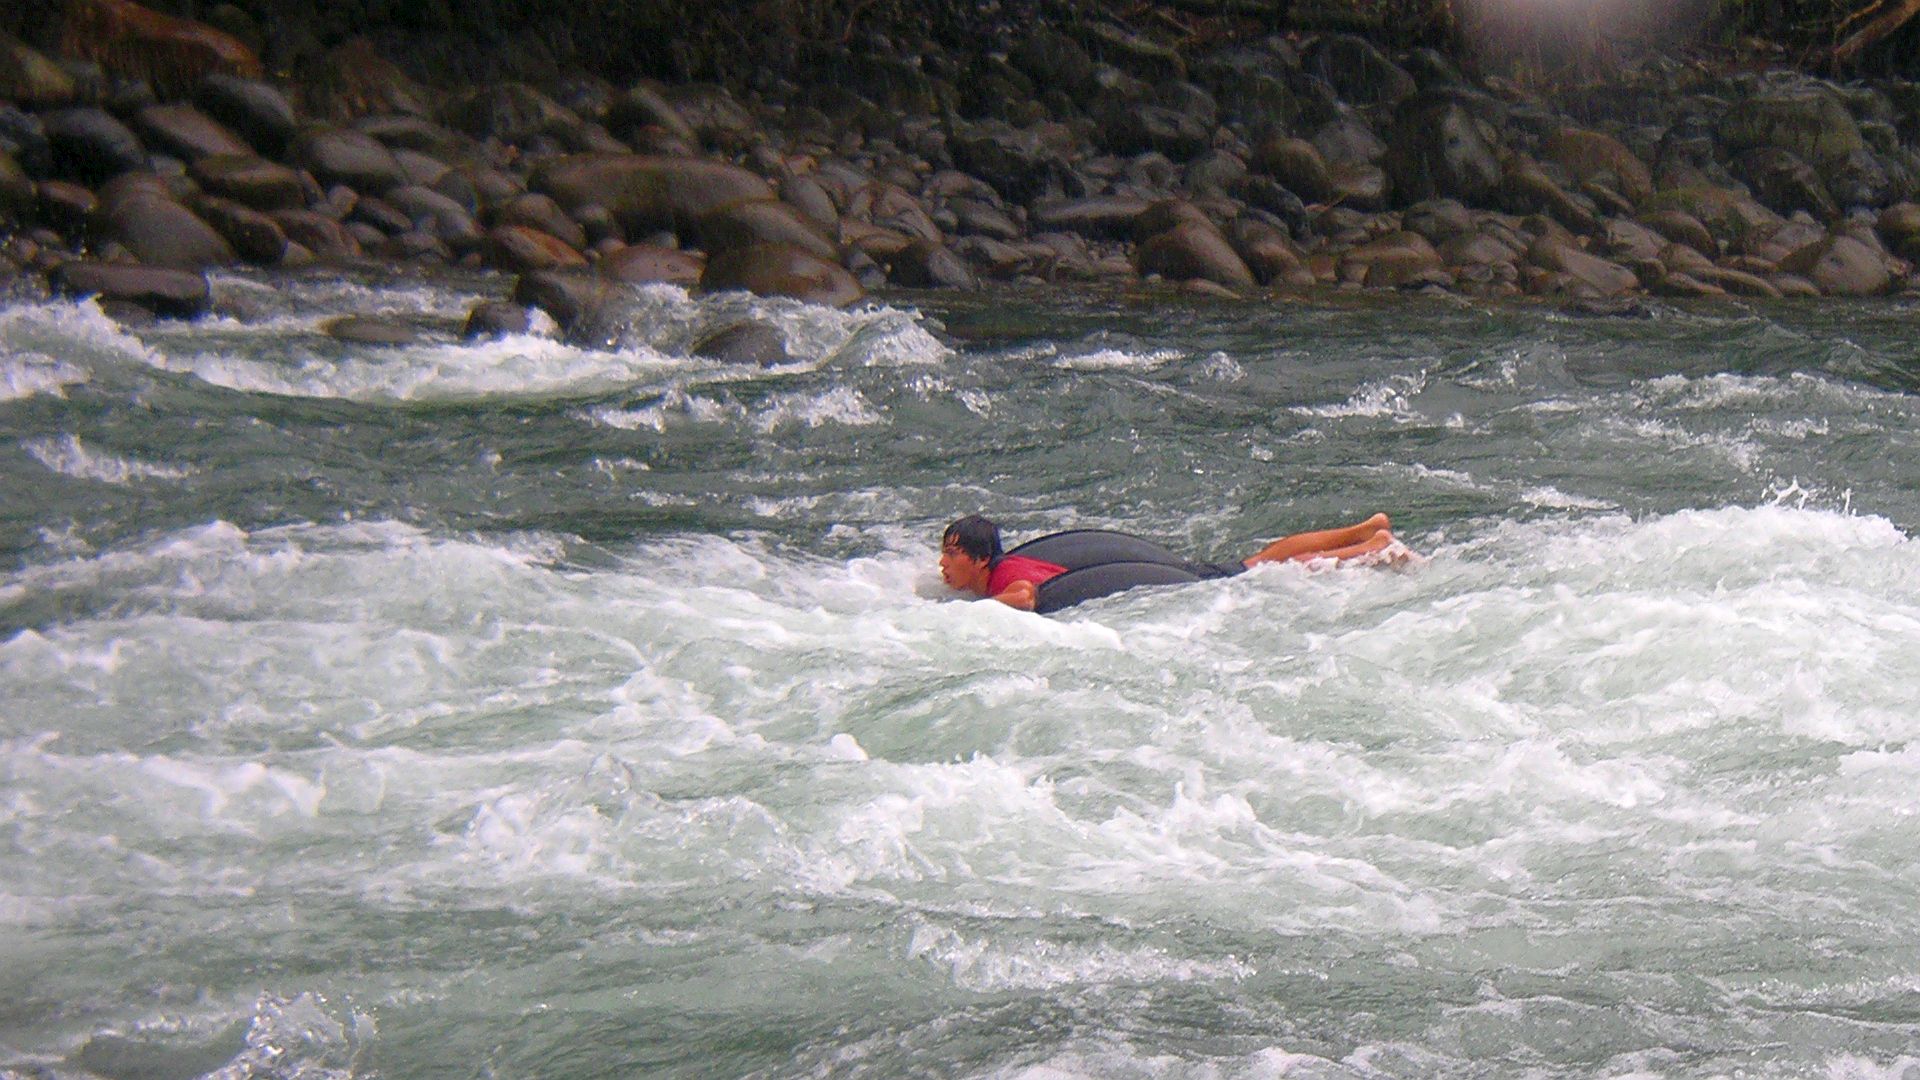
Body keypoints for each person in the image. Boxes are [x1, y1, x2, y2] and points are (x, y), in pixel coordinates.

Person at [938, 512, 1405, 613]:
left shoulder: (1006, 577)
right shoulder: (1005, 566)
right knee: (1255, 563)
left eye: (953, 554)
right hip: (1162, 566)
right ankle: (1364, 531)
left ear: (981, 561)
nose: (943, 563)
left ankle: (1367, 549)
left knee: (1262, 571)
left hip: (1167, 578)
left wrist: (972, 614)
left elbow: (1024, 596)